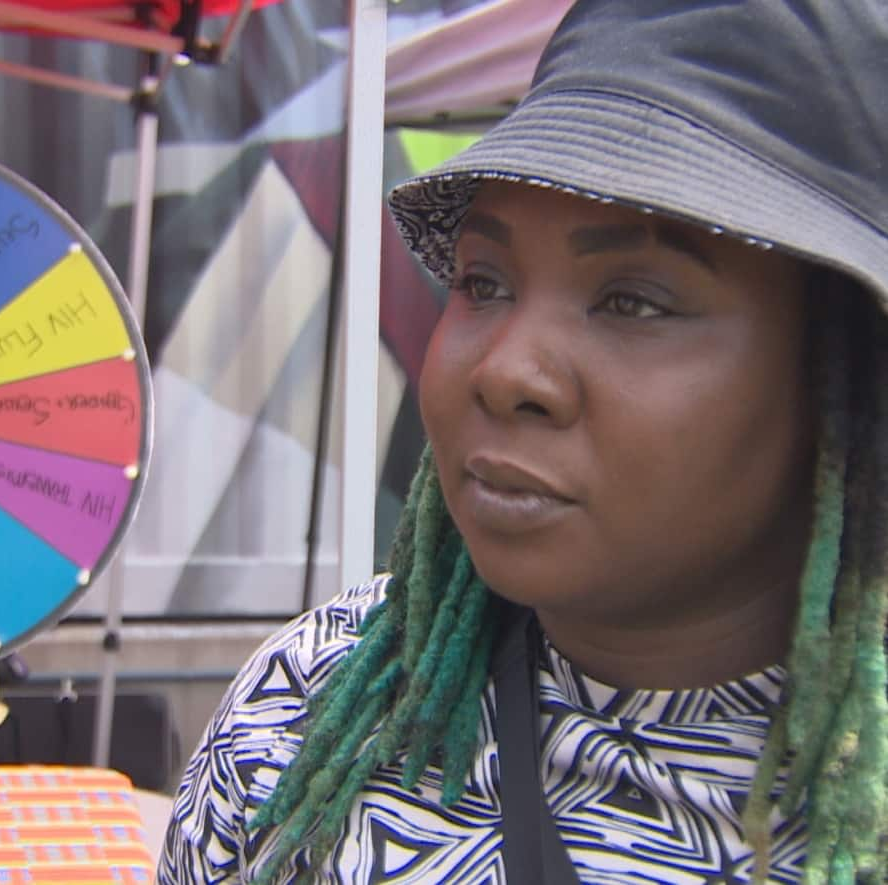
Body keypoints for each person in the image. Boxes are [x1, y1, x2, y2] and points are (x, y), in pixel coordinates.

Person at [156, 0, 888, 881]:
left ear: (846, 376)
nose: (505, 371)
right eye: (485, 281)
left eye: (634, 300)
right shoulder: (305, 706)